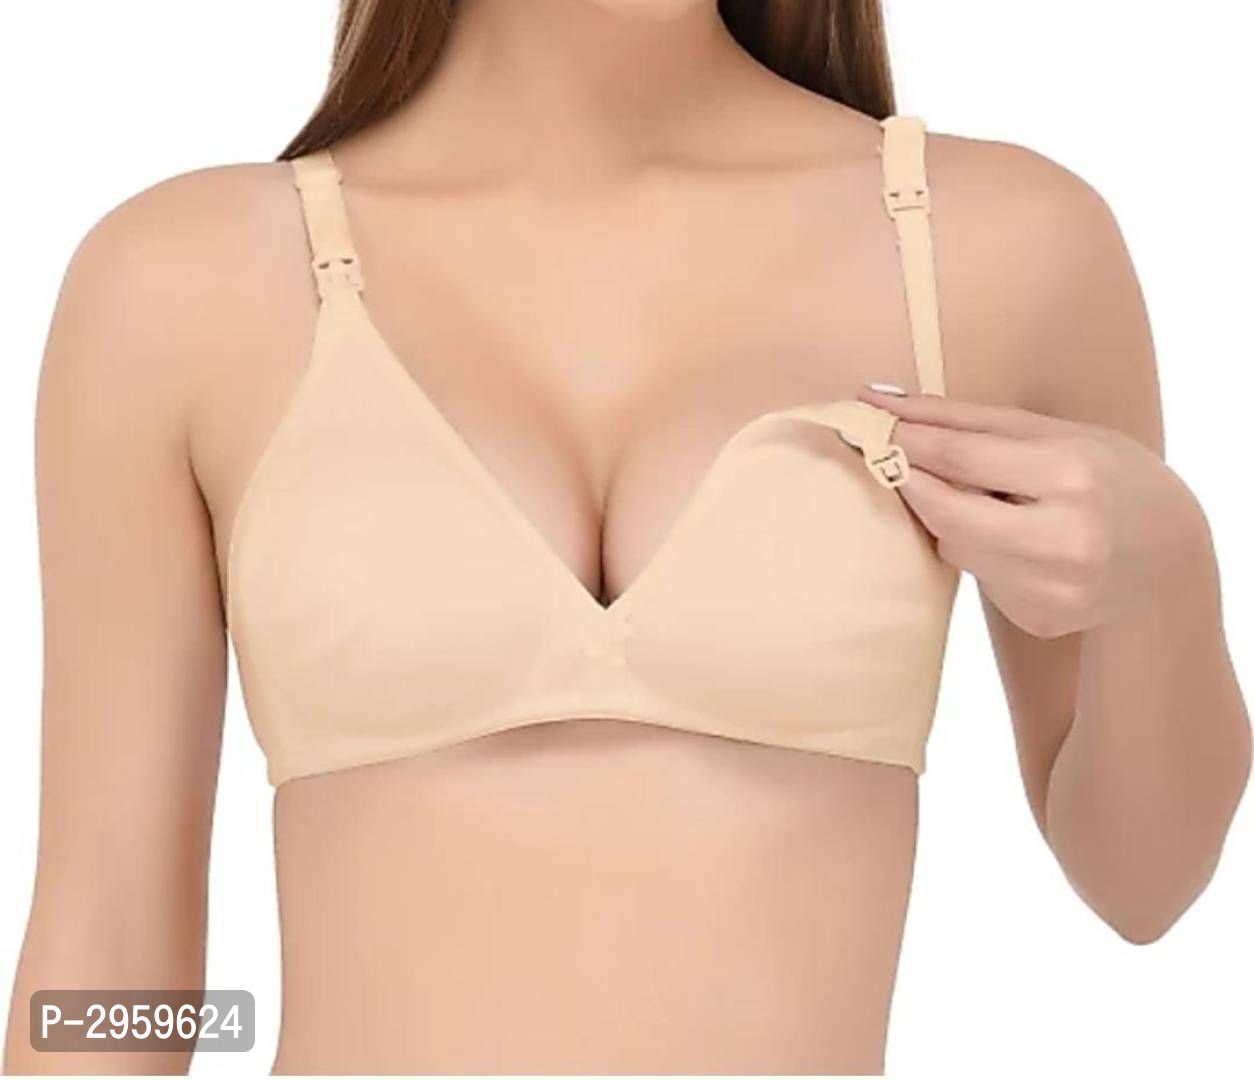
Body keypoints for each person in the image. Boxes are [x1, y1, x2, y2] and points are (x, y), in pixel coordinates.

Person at [6, 0, 1249, 1074]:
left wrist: (1169, 578)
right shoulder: (179, 283)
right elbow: (111, 947)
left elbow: (1142, 883)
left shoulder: (999, 248)